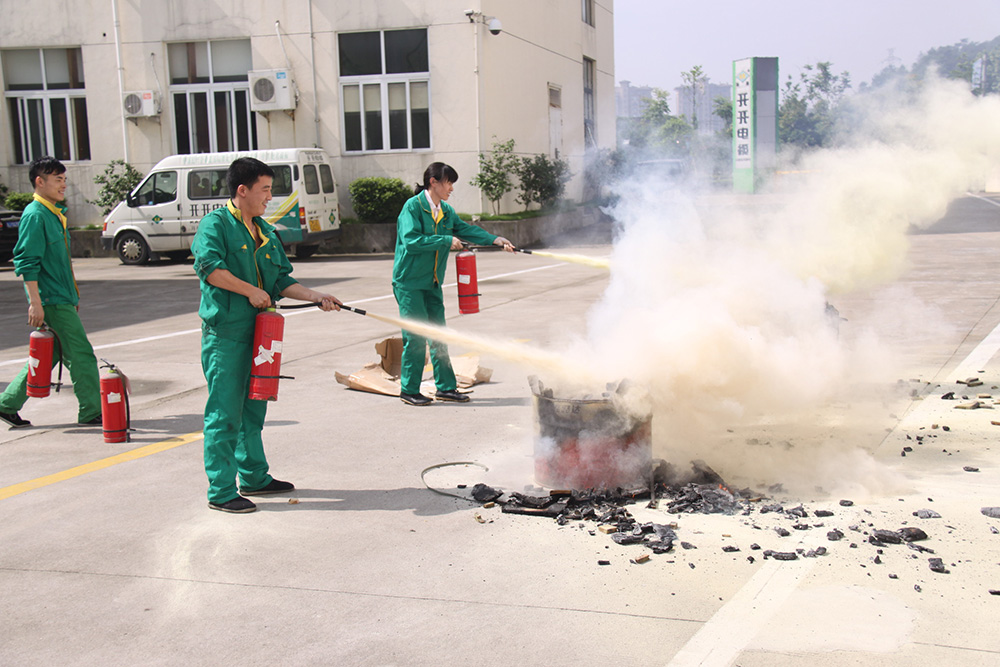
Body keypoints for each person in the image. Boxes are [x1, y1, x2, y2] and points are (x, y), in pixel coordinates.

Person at [191, 157, 342, 513]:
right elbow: (209, 269)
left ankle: (254, 477)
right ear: (242, 190)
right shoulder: (215, 225)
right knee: (225, 413)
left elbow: (281, 280)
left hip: (262, 334)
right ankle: (221, 490)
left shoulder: (266, 231)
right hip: (227, 335)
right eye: (265, 190)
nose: (270, 198)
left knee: (254, 406)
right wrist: (250, 291)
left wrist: (316, 296)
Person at [392, 162, 514, 406]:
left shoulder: (445, 211)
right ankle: (409, 389)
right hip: (409, 283)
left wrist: (495, 239)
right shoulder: (412, 207)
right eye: (448, 182)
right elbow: (411, 241)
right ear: (433, 182)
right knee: (416, 337)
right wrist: (445, 240)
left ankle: (445, 388)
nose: (451, 188)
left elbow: (465, 229)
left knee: (439, 335)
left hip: (433, 282)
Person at [0, 157, 101, 429]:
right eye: (58, 180)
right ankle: (92, 411)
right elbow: (27, 262)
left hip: (61, 299)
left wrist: (72, 297)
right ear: (39, 181)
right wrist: (35, 303)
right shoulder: (36, 215)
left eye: (64, 179)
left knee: (50, 354)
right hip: (51, 300)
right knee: (82, 355)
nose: (63, 185)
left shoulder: (53, 214)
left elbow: (60, 264)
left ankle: (6, 404)